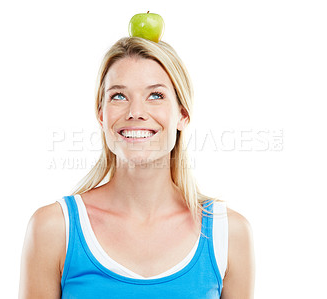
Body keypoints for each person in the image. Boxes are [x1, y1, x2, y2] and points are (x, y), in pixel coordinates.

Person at [19, 37, 255, 298]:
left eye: (156, 95)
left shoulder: (229, 233)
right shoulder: (53, 228)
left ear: (182, 115)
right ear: (101, 114)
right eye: (119, 96)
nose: (136, 112)